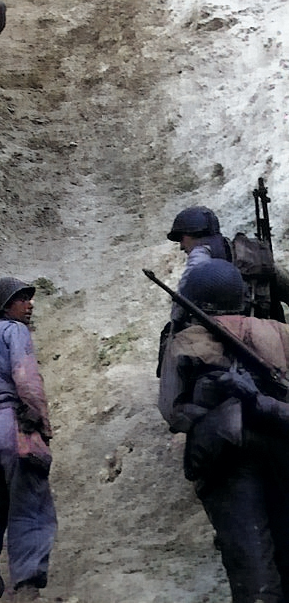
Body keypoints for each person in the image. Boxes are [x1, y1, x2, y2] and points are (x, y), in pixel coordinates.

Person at [158, 258, 289, 603]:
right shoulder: (280, 331)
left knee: (251, 567)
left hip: (224, 453)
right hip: (281, 442)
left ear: (198, 302)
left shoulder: (184, 342)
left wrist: (209, 405)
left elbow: (172, 412)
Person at [0, 277, 57, 602]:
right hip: (10, 424)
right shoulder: (15, 331)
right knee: (29, 505)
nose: (30, 304)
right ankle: (26, 586)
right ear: (7, 306)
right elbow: (26, 377)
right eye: (23, 299)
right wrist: (41, 425)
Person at [166, 206, 232, 326]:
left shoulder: (199, 257)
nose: (181, 246)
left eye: (181, 239)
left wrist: (175, 325)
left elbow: (180, 308)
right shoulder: (235, 249)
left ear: (194, 234)